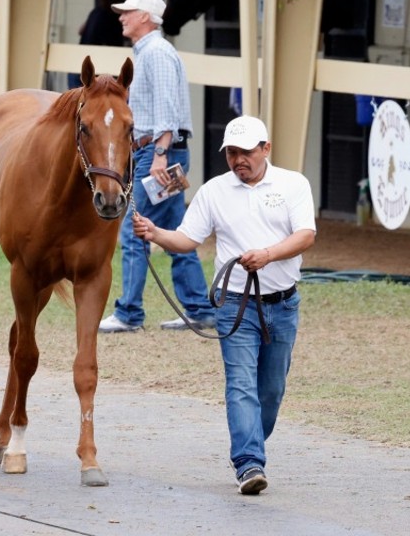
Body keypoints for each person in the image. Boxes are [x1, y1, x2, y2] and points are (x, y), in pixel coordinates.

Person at [131, 115, 316, 495]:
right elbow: (186, 239)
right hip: (234, 304)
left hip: (282, 304)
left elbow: (305, 235)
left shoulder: (293, 184)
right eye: (231, 153)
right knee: (241, 384)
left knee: (270, 391)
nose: (238, 160)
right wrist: (155, 233)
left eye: (246, 152)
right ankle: (248, 463)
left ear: (266, 149)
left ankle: (251, 443)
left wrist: (267, 255)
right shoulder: (214, 191)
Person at [99, 0, 214, 333]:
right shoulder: (151, 52)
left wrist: (160, 153)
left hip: (158, 151)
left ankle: (129, 313)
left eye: (128, 12)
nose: (121, 17)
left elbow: (166, 108)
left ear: (145, 17)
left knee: (135, 231)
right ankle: (198, 307)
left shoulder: (156, 54)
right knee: (177, 233)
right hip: (158, 151)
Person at [68, 0, 135, 89]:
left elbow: (80, 30)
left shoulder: (97, 11)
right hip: (94, 72)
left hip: (78, 68)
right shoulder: (113, 18)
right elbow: (114, 49)